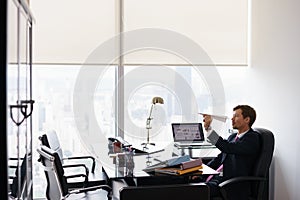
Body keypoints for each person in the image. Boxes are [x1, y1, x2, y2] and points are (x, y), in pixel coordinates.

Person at [203, 105, 261, 200]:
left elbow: (227, 148)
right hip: (218, 178)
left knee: (191, 191)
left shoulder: (252, 138)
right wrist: (202, 170)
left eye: (236, 116)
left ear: (247, 119)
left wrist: (209, 129)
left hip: (230, 183)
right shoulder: (232, 137)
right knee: (179, 182)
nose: (232, 119)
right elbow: (221, 157)